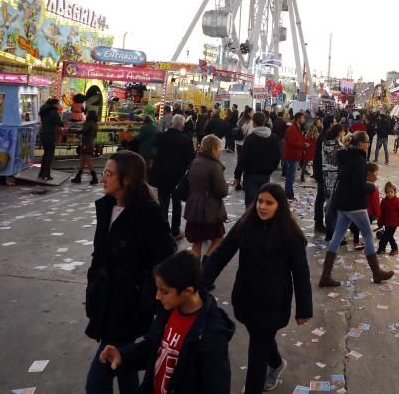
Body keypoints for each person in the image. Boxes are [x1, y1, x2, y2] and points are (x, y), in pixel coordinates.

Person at [203, 183, 312, 393]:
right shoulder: (245, 224)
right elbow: (222, 253)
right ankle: (277, 363)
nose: (262, 206)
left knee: (256, 355)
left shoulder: (289, 235)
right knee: (260, 338)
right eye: (260, 201)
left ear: (279, 206)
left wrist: (304, 308)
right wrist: (201, 282)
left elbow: (301, 272)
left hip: (273, 303)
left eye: (269, 203)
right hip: (245, 297)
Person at [84, 151, 175, 393]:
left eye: (109, 174)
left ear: (127, 180)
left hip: (130, 306)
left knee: (98, 378)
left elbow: (166, 257)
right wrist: (92, 285)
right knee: (124, 367)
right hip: (105, 300)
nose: (103, 178)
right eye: (104, 172)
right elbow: (99, 255)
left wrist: (146, 291)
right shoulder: (106, 208)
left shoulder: (147, 213)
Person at [98, 251, 234, 394]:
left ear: (187, 292)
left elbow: (217, 385)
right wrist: (123, 356)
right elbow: (153, 347)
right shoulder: (168, 311)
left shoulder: (211, 334)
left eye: (164, 291)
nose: (157, 296)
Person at [319, 131, 393, 287]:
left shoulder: (345, 156)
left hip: (342, 203)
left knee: (337, 237)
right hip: (355, 205)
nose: (368, 145)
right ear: (360, 144)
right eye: (367, 142)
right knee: (367, 235)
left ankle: (325, 276)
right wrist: (372, 187)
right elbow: (359, 186)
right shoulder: (359, 160)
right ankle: (376, 272)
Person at [184, 135, 228, 259]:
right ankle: (206, 262)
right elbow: (222, 191)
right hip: (209, 208)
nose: (220, 150)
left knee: (197, 241)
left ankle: (194, 269)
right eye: (219, 147)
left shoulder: (195, 161)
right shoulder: (214, 165)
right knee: (218, 238)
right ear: (213, 148)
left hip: (193, 206)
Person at [150, 114, 195, 237]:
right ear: (182, 126)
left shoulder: (161, 137)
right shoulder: (186, 140)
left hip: (161, 176)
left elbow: (153, 150)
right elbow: (191, 160)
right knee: (177, 204)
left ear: (171, 124)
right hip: (177, 178)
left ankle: (163, 231)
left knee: (163, 204)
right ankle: (175, 231)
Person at [236, 112, 281, 206]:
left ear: (253, 123)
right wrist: (271, 168)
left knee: (251, 203)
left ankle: (251, 220)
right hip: (265, 174)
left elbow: (243, 158)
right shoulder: (273, 137)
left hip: (250, 174)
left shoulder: (250, 138)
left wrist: (237, 175)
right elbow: (277, 155)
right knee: (262, 201)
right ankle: (260, 219)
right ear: (264, 121)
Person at [313, 124, 341, 234]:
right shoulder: (337, 146)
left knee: (323, 200)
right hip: (334, 177)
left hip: (324, 174)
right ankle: (331, 227)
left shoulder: (324, 142)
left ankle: (321, 223)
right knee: (331, 203)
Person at [349, 162, 380, 250]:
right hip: (368, 212)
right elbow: (375, 202)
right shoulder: (373, 187)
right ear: (370, 174)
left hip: (357, 210)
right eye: (376, 172)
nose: (377, 175)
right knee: (366, 229)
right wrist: (378, 213)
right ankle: (366, 242)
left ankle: (356, 242)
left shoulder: (359, 184)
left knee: (356, 227)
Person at [376, 181, 399, 255]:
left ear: (395, 192)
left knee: (386, 236)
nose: (390, 193)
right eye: (388, 192)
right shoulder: (384, 201)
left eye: (391, 192)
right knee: (389, 236)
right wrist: (380, 223)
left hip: (394, 223)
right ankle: (392, 249)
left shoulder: (398, 201)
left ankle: (383, 248)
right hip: (386, 222)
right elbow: (381, 213)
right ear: (385, 193)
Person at [281, 112, 307, 200]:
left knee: (291, 175)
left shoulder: (297, 128)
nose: (304, 120)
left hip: (295, 154)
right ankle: (288, 194)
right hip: (292, 155)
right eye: (302, 118)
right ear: (298, 119)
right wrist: (303, 145)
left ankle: (289, 193)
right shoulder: (292, 129)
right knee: (290, 176)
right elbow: (291, 142)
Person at [38, 97, 63, 181]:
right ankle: (47, 174)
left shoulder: (44, 111)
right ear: (54, 104)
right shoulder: (53, 112)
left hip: (43, 133)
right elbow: (59, 123)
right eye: (58, 103)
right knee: (49, 154)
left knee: (46, 154)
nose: (59, 105)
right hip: (50, 134)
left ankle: (41, 173)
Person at [72, 111, 100, 185]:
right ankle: (78, 177)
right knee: (83, 159)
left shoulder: (88, 123)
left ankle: (94, 177)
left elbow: (83, 131)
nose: (86, 115)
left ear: (89, 115)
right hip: (90, 142)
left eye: (87, 114)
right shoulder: (95, 124)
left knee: (87, 159)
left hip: (86, 142)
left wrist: (74, 131)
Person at [301, 117, 319, 183]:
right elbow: (316, 142)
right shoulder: (315, 136)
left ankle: (302, 176)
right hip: (313, 150)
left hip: (308, 151)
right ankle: (315, 174)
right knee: (314, 163)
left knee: (304, 164)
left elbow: (305, 142)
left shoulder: (307, 135)